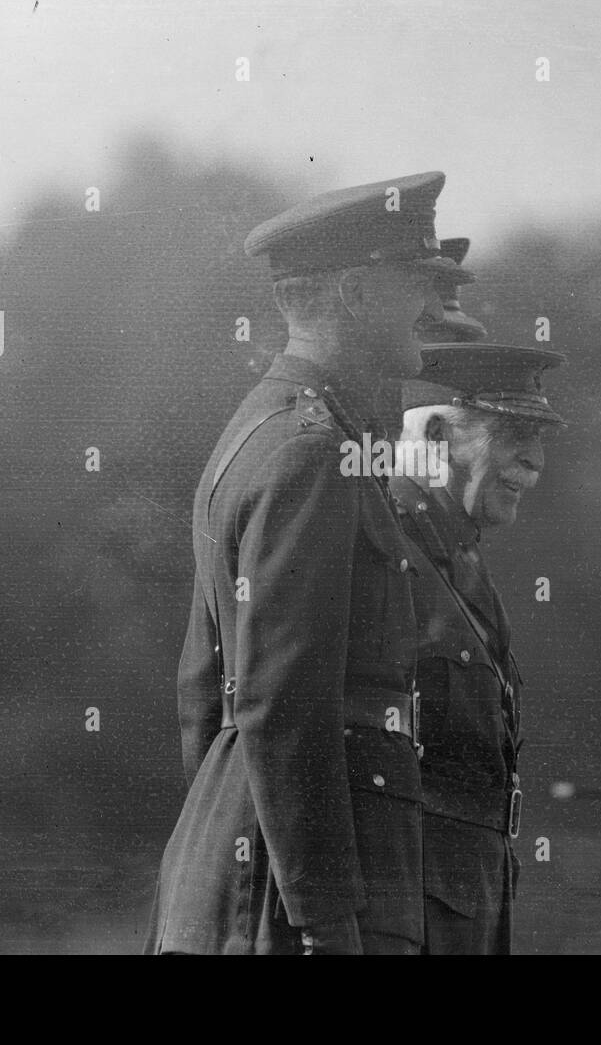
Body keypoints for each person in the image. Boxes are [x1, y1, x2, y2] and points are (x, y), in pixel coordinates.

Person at [145, 172, 472, 955]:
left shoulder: (266, 431)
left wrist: (229, 830)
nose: (434, 309)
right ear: (357, 295)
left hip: (258, 873)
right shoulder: (315, 453)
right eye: (417, 285)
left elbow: (205, 690)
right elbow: (281, 701)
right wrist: (323, 920)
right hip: (302, 908)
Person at [390, 337, 565, 953]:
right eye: (513, 432)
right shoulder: (384, 554)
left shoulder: (457, 562)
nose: (536, 461)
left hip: (461, 907)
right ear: (436, 437)